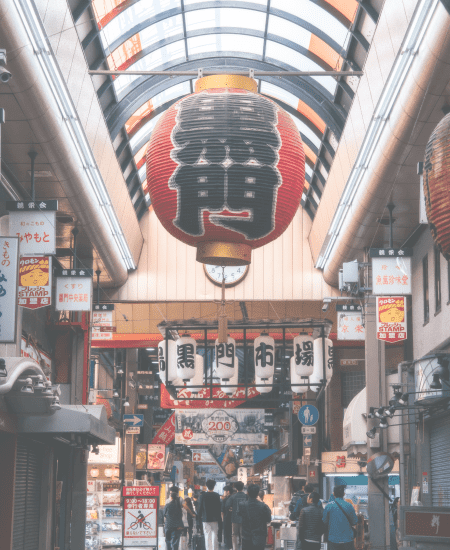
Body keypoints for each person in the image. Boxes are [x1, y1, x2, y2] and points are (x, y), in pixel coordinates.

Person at [323, 485, 358, 550]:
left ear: (333, 494)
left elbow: (324, 521)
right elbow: (355, 521)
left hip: (333, 540)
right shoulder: (349, 506)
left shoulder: (328, 506)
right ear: (344, 494)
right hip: (347, 540)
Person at [239, 484, 272, 550]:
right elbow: (268, 519)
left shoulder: (242, 505)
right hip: (260, 537)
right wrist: (262, 501)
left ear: (247, 493)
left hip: (246, 536)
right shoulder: (263, 506)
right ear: (258, 494)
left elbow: (239, 516)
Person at [197, 479, 222, 550]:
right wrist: (220, 520)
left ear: (207, 486)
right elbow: (219, 508)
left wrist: (198, 520)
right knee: (214, 536)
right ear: (214, 486)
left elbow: (200, 509)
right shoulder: (217, 495)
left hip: (206, 519)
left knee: (207, 536)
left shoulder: (203, 496)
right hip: (215, 519)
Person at [226, 481, 247, 550]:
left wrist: (231, 509)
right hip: (244, 519)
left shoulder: (233, 497)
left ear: (235, 488)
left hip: (234, 518)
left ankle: (235, 548)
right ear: (243, 487)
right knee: (243, 535)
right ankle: (243, 548)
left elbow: (227, 505)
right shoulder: (246, 496)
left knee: (234, 534)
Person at [222, 486, 234, 550]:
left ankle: (228, 546)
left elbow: (222, 511)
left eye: (224, 491)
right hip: (234, 518)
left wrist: (222, 519)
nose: (223, 492)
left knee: (227, 533)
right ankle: (232, 546)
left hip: (226, 518)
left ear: (228, 492)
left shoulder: (225, 500)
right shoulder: (234, 498)